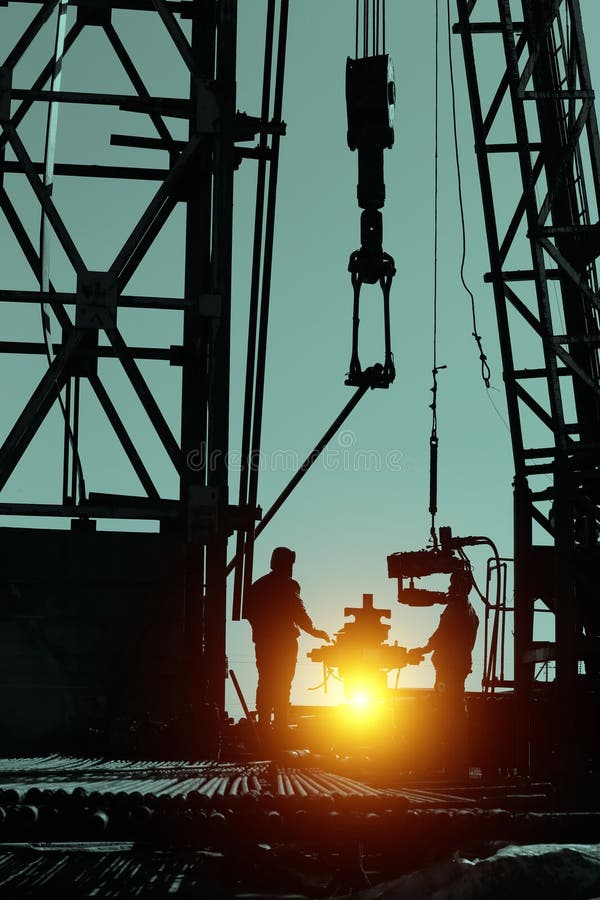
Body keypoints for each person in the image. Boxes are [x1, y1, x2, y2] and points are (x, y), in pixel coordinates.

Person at [244, 547, 330, 730]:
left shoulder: (258, 585)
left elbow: (249, 613)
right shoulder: (289, 585)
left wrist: (261, 632)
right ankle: (281, 722)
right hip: (284, 643)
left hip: (263, 643)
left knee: (266, 679)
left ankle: (264, 721)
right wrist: (315, 631)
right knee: (283, 681)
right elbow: (299, 612)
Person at [405, 568, 479, 776]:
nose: (449, 587)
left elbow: (441, 635)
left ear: (462, 586)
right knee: (454, 712)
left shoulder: (456, 609)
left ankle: (450, 764)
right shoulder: (471, 612)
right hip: (457, 669)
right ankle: (455, 764)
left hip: (448, 671)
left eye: (453, 584)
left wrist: (422, 649)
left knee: (445, 714)